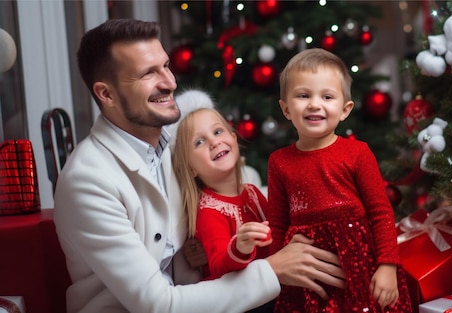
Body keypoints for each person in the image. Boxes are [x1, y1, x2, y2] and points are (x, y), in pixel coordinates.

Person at [53, 19, 345, 313]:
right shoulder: (87, 181)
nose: (169, 82)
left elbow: (229, 196)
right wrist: (273, 270)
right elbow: (159, 305)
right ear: (106, 94)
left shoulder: (176, 148)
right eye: (148, 74)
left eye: (166, 66)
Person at [267, 48, 412, 312]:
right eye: (303, 95)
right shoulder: (279, 161)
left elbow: (381, 213)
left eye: (327, 96)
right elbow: (277, 222)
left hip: (359, 266)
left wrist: (388, 266)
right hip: (306, 270)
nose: (314, 104)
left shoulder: (358, 153)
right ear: (286, 109)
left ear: (345, 110)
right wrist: (277, 267)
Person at [172, 105, 274, 312]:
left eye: (218, 131)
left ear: (234, 138)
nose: (214, 141)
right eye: (199, 142)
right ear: (191, 168)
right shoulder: (209, 210)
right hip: (241, 301)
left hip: (269, 287)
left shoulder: (252, 191)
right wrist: (240, 247)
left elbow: (276, 230)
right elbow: (218, 267)